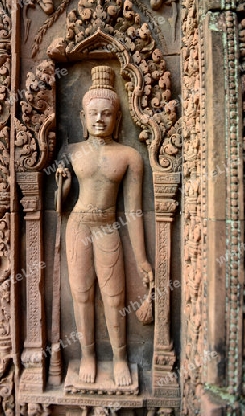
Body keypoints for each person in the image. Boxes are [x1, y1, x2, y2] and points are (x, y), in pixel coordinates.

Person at [56, 66, 152, 387]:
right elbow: (60, 207)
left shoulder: (128, 156)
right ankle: (87, 356)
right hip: (79, 225)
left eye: (107, 113)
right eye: (93, 113)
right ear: (82, 118)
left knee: (114, 297)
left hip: (108, 226)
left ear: (118, 119)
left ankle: (121, 357)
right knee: (81, 294)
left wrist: (141, 259)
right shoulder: (72, 152)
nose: (99, 119)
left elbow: (134, 211)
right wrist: (63, 186)